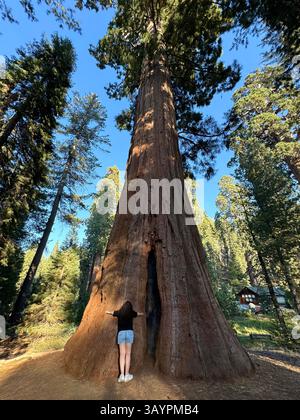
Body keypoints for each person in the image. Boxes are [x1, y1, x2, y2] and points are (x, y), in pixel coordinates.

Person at [106, 301, 144, 383]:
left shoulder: (119, 313)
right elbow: (138, 314)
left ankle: (121, 375)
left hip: (121, 334)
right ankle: (127, 375)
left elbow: (111, 312)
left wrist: (107, 311)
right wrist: (143, 314)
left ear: (123, 307)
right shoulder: (131, 313)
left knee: (122, 355)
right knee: (128, 354)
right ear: (130, 308)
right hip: (129, 333)